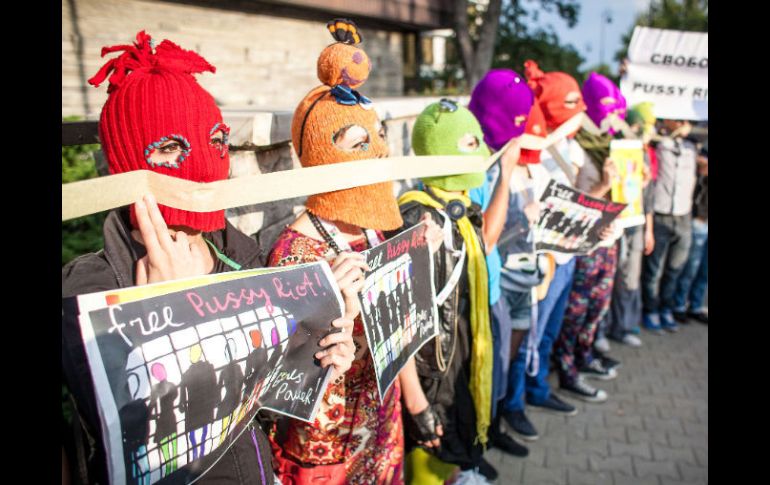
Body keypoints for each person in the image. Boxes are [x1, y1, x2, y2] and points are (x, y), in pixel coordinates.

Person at [61, 31, 358, 485]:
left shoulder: (240, 253)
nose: (201, 164)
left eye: (216, 140)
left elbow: (267, 392)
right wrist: (163, 310)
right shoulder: (86, 292)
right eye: (170, 149)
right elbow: (128, 442)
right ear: (127, 164)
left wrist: (324, 347)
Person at [265, 19, 441, 485]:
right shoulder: (293, 253)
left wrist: (421, 260)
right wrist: (336, 310)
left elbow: (398, 331)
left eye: (379, 137)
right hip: (322, 450)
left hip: (382, 427)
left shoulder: (375, 229)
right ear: (323, 154)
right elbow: (285, 386)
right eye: (360, 143)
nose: (380, 152)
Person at [397, 99, 498, 483]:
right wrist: (417, 402)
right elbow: (399, 320)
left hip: (459, 362)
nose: (482, 152)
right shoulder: (415, 218)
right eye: (470, 144)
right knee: (427, 460)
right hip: (429, 376)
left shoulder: (461, 208)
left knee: (448, 458)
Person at [499, 59, 587, 441]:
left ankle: (536, 389)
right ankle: (513, 404)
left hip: (562, 257)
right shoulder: (534, 151)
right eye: (571, 112)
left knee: (546, 333)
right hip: (535, 262)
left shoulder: (561, 149)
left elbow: (566, 200)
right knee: (525, 338)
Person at [553, 72, 626, 403]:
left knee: (597, 308)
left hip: (608, 239)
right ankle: (567, 370)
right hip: (584, 245)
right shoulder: (577, 147)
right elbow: (576, 204)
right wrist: (605, 186)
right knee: (576, 311)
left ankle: (585, 358)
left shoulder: (612, 145)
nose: (613, 117)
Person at [641, 119, 698, 333]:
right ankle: (650, 310)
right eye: (679, 119)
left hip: (683, 216)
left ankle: (666, 308)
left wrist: (691, 131)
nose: (683, 122)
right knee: (654, 270)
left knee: (675, 269)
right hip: (661, 215)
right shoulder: (657, 143)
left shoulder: (693, 145)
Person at [673, 143, 708, 324]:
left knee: (704, 271)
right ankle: (679, 304)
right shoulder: (698, 151)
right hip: (699, 220)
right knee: (690, 268)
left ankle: (695, 305)